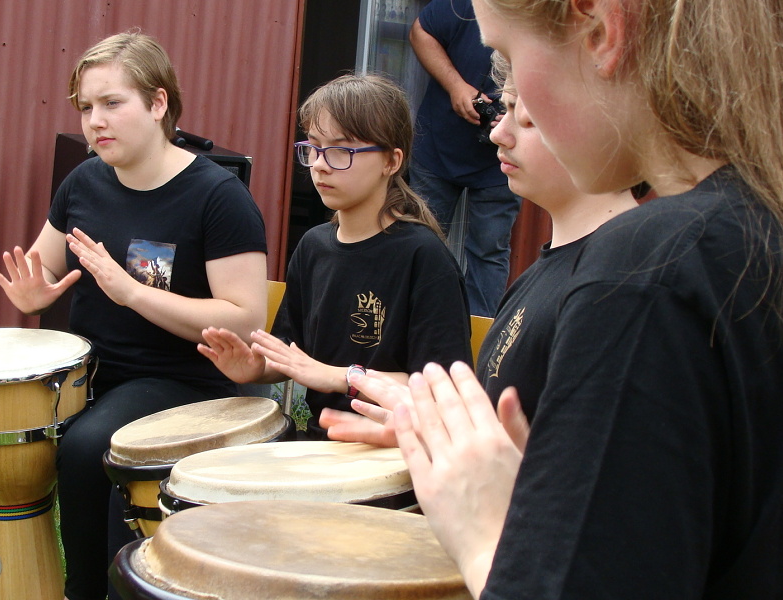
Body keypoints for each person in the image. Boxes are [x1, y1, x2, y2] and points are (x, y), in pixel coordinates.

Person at [351, 0, 783, 598]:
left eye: (505, 55)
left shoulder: (647, 273)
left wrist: (487, 533)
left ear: (601, 29)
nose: (501, 120)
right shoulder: (757, 235)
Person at [0, 31, 267, 600]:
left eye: (112, 103)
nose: (96, 121)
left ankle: (83, 591)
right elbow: (42, 267)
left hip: (179, 379)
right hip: (88, 369)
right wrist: (33, 293)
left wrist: (132, 293)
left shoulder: (217, 197)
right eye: (86, 107)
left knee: (88, 448)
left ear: (159, 103)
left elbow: (244, 318)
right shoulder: (84, 181)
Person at [321, 52, 638, 446]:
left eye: (524, 117)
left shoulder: (620, 285)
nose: (497, 134)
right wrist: (430, 431)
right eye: (503, 112)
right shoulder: (546, 274)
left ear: (597, 123)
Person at [197, 74, 472, 440]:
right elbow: (293, 356)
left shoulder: (424, 258)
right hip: (317, 444)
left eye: (342, 150)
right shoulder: (313, 246)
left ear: (391, 161)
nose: (321, 165)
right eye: (313, 147)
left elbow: (441, 391)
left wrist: (340, 376)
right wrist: (255, 368)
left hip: (392, 454)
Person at [408, 0, 521, 317]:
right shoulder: (464, 4)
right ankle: (418, 324)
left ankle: (481, 342)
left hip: (504, 157)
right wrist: (457, 87)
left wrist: (518, 113)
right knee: (421, 242)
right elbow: (420, 32)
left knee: (489, 252)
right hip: (437, 148)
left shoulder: (549, 14)